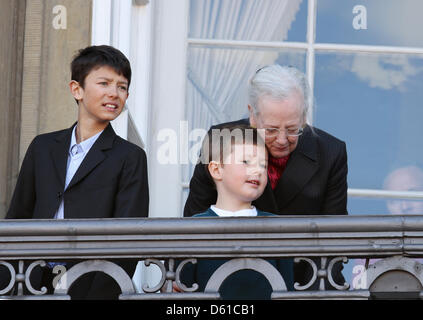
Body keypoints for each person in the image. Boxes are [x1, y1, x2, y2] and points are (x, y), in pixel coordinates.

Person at [3, 45, 149, 299]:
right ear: (76, 89)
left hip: (91, 284)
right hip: (31, 280)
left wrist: (99, 294)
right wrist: (10, 281)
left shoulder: (130, 157)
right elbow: (19, 217)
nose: (114, 93)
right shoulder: (43, 147)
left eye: (122, 86)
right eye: (104, 83)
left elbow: (128, 239)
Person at [184, 65, 348, 289]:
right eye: (271, 129)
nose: (282, 140)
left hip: (303, 284)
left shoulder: (331, 152)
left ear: (304, 115)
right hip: (221, 281)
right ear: (252, 114)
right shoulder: (221, 139)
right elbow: (193, 218)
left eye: (292, 129)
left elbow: (333, 236)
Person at [178, 124, 294, 299]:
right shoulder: (192, 229)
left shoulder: (278, 228)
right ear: (217, 170)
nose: (257, 170)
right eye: (246, 162)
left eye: (263, 165)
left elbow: (288, 290)